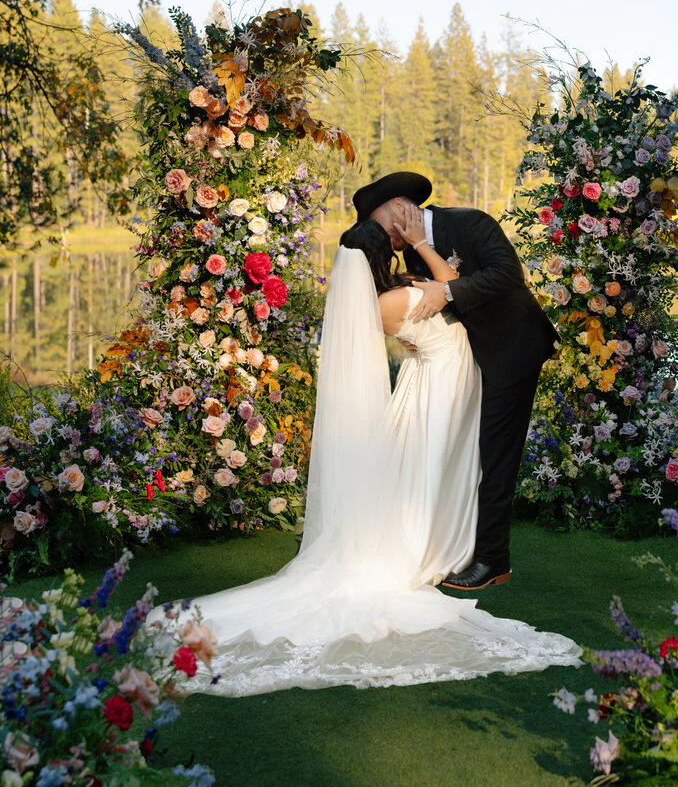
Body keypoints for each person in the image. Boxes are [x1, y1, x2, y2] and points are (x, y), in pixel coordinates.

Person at [146, 223, 580, 696]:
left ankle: (442, 540)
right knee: (434, 463)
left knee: (425, 463)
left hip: (431, 376)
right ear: (380, 256)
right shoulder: (398, 296)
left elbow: (426, 312)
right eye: (389, 243)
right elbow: (449, 291)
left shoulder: (386, 296)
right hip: (441, 381)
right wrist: (422, 246)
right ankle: (432, 544)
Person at [352, 170, 559, 590]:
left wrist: (445, 293)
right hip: (466, 358)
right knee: (469, 448)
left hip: (511, 349)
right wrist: (416, 333)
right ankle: (456, 541)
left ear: (399, 207)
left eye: (379, 223)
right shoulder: (411, 252)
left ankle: (492, 561)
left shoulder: (469, 222)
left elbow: (507, 277)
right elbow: (428, 302)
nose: (381, 234)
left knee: (495, 453)